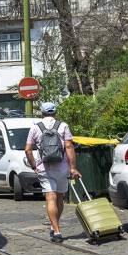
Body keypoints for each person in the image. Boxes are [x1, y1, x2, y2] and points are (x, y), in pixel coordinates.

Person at [25, 102, 81, 242]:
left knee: (50, 198)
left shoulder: (35, 127)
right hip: (62, 168)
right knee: (60, 197)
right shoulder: (63, 126)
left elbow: (28, 150)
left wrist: (34, 166)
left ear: (42, 112)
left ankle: (56, 231)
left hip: (44, 168)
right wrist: (73, 167)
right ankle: (53, 225)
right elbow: (69, 146)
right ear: (55, 112)